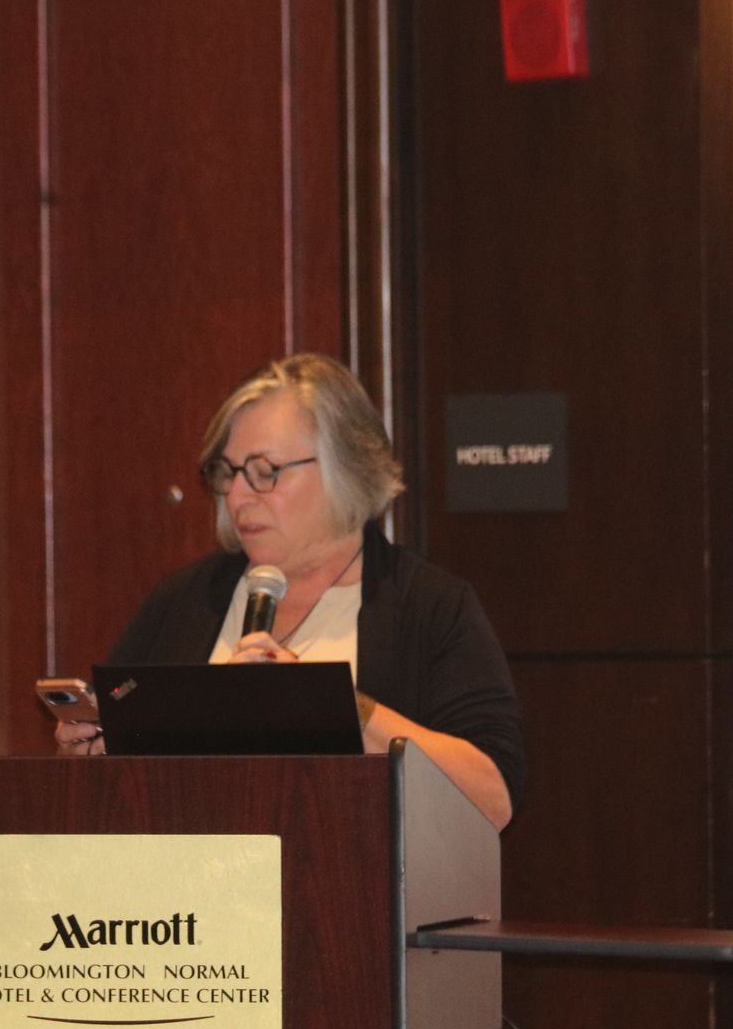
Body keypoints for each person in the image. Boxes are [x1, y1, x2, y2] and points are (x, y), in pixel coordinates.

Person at [53, 353, 523, 829]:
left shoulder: (429, 606)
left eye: (265, 470)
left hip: (353, 892)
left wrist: (335, 704)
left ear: (346, 467)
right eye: (229, 472)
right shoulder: (183, 602)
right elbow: (119, 793)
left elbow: (492, 800)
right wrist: (89, 756)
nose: (238, 495)